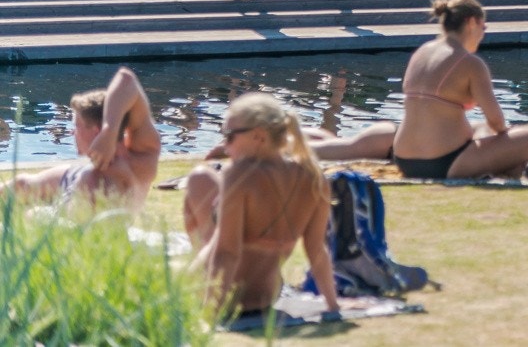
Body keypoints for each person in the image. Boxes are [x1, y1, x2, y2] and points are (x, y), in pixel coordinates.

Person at [182, 93, 339, 321]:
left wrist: (211, 315)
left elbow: (227, 253)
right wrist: (333, 306)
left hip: (213, 295)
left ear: (259, 137)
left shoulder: (238, 176)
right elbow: (316, 250)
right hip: (266, 298)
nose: (225, 146)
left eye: (229, 136)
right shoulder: (314, 178)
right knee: (202, 180)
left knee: (198, 180)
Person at [389, 0, 528, 177]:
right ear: (472, 22)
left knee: (481, 127)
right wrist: (507, 136)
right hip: (444, 162)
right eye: (484, 27)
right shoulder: (470, 63)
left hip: (403, 158)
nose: (483, 34)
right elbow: (497, 122)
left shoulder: (422, 51)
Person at [1, 67, 161, 208]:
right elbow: (127, 79)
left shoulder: (92, 181)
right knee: (20, 184)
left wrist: (36, 214)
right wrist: (110, 130)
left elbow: (127, 78)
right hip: (72, 175)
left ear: (95, 130)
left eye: (76, 126)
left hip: (75, 186)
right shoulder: (144, 155)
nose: (72, 133)